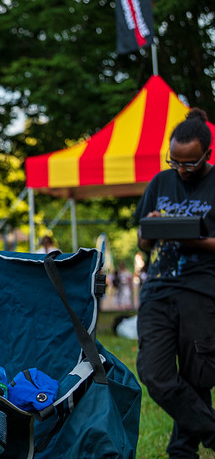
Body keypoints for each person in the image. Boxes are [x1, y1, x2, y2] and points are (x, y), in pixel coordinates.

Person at [135, 108, 215, 458]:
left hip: (202, 290)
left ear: (207, 155)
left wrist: (194, 238)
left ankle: (182, 451)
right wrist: (152, 227)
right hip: (158, 288)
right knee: (155, 373)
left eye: (190, 164)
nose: (181, 171)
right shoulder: (160, 183)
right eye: (175, 163)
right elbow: (142, 241)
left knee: (198, 375)